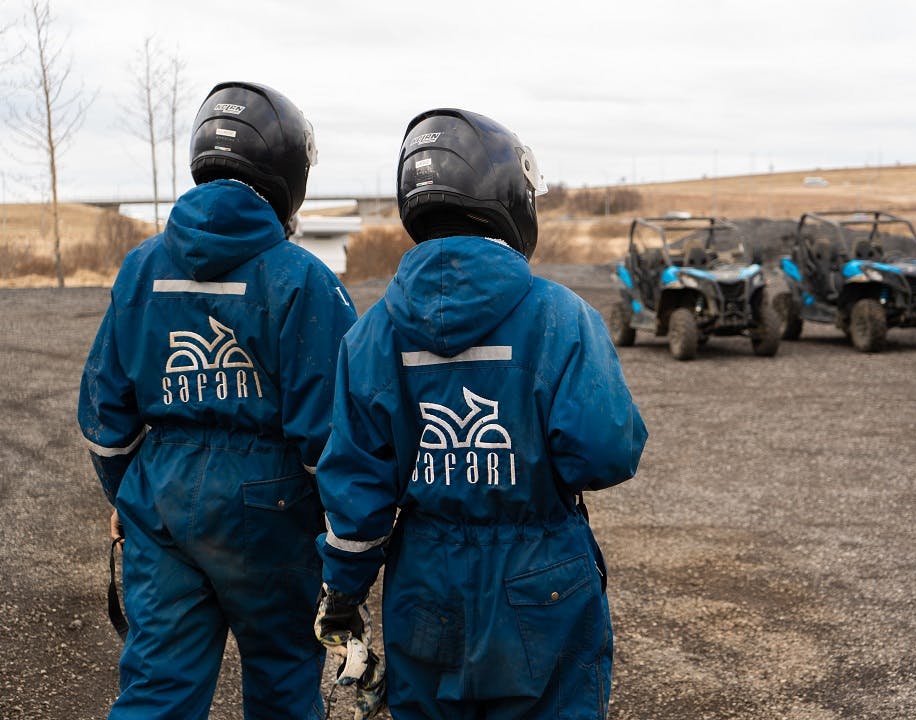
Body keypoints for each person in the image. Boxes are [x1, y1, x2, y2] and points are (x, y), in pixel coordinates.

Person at [314, 108, 647, 719]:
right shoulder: (561, 316)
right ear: (510, 198)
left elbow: (356, 492)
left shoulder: (372, 334)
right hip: (541, 570)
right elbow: (606, 450)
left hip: (424, 580)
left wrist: (344, 590)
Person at [78, 81, 358, 720]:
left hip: (163, 499)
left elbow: (104, 416)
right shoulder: (304, 280)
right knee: (284, 681)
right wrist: (345, 542)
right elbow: (333, 437)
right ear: (288, 174)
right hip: (272, 504)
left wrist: (131, 493)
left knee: (156, 688)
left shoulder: (141, 268)